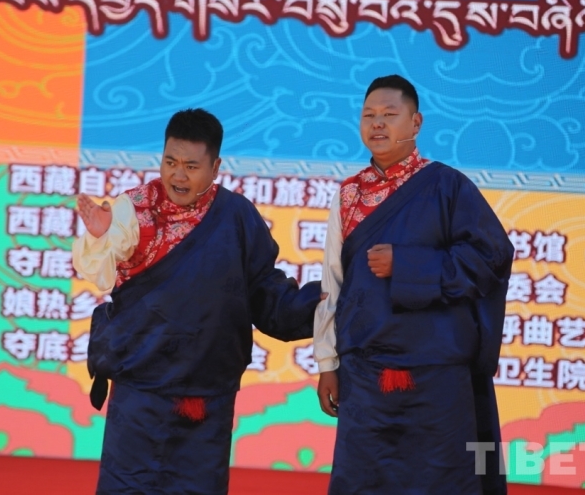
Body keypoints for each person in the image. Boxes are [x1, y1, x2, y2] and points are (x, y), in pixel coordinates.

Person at [74, 108, 320, 495]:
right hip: (140, 390)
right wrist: (101, 237)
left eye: (191, 166)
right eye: (170, 162)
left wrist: (322, 303)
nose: (178, 175)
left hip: (206, 396)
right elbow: (99, 273)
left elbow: (265, 293)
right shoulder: (132, 209)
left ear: (216, 167)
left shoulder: (236, 216)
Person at [314, 75, 513, 495]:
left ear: (416, 123)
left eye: (390, 114)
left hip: (436, 374)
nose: (377, 124)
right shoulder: (348, 196)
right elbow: (333, 283)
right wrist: (327, 363)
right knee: (362, 482)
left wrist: (408, 265)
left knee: (441, 481)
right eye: (369, 115)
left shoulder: (446, 186)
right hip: (365, 373)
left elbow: (492, 257)